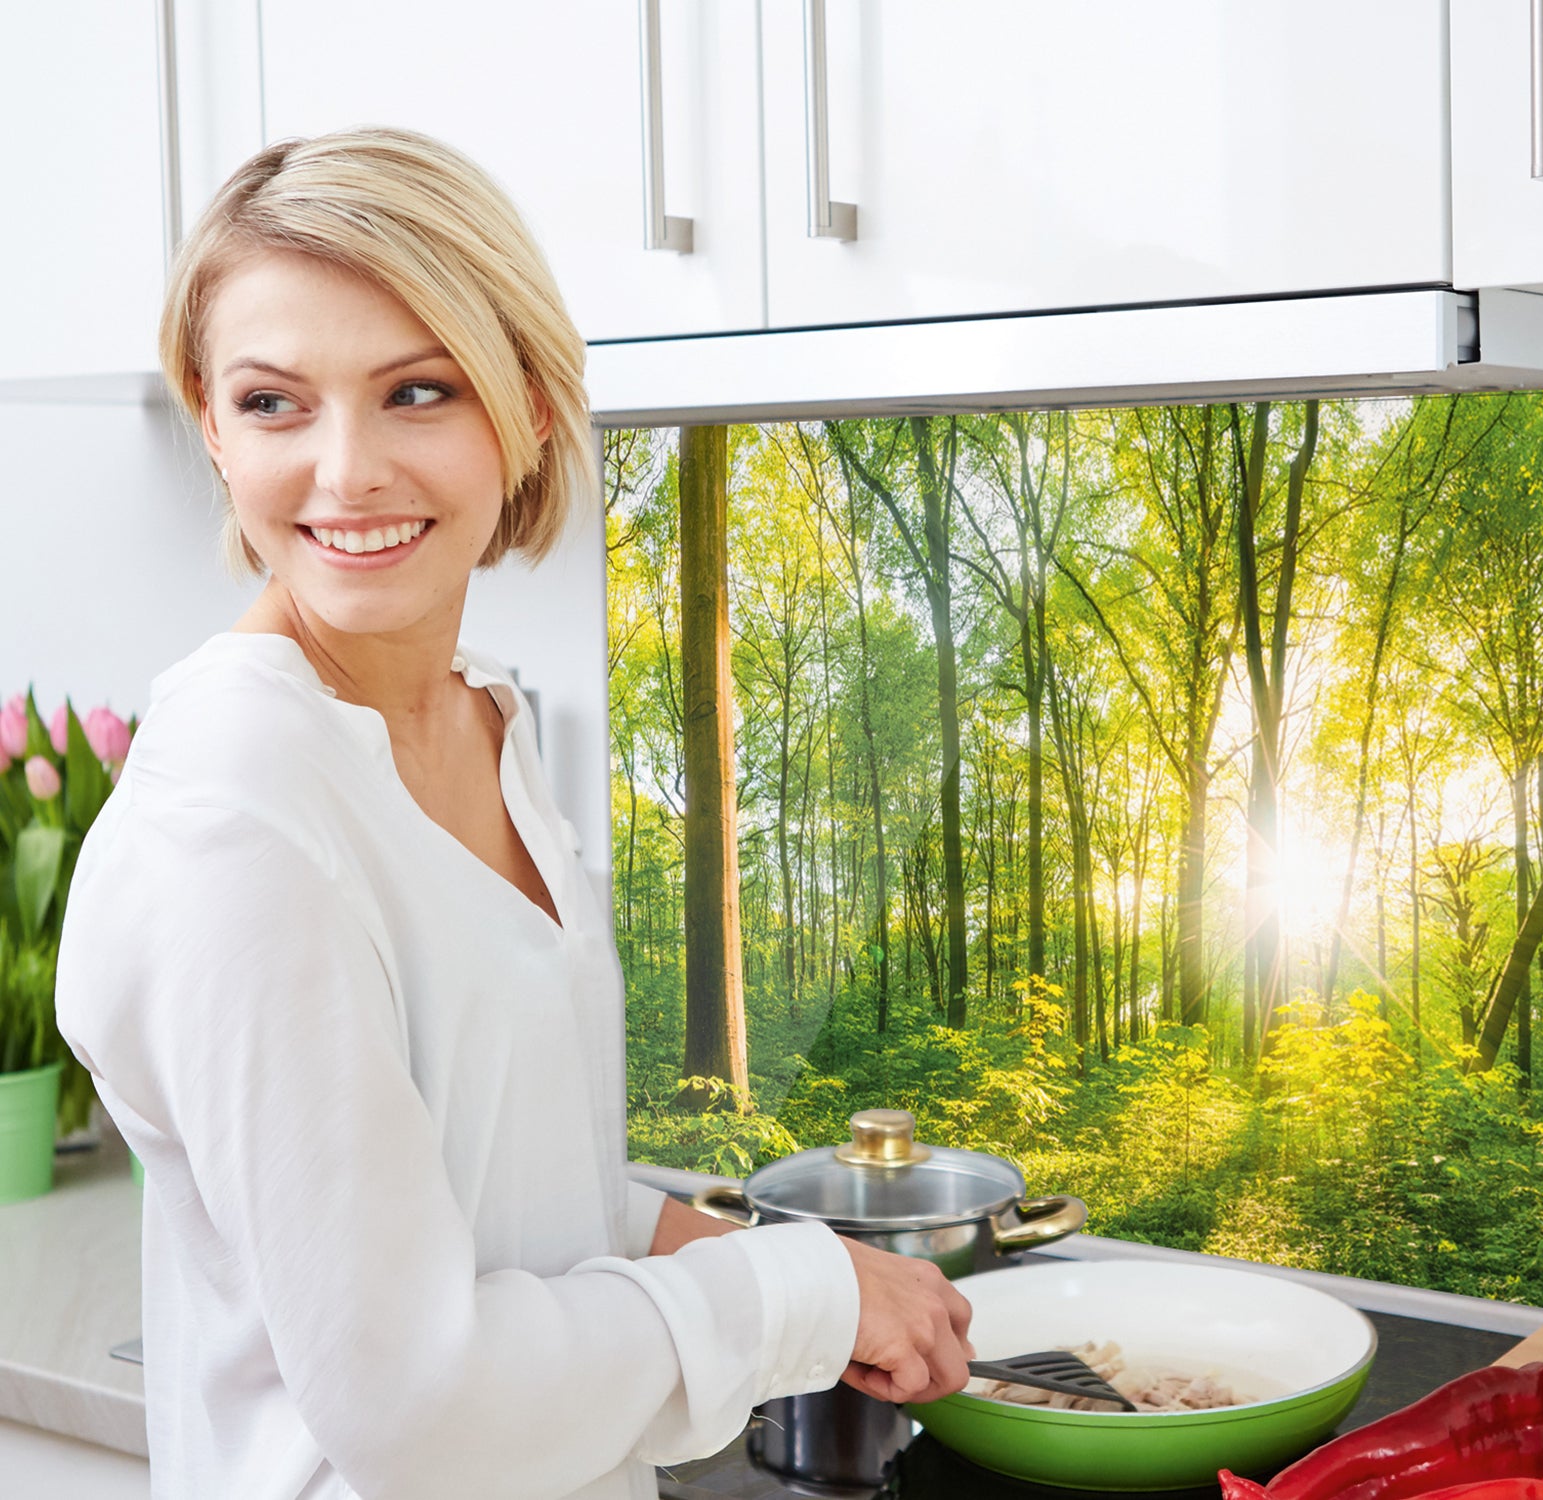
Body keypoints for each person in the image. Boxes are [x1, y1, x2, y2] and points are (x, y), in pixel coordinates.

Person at [53, 127, 974, 1500]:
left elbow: (484, 1176)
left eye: (416, 392)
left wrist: (752, 1252)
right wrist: (796, 1297)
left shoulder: (477, 716)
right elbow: (419, 1411)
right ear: (208, 420)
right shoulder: (236, 824)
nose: (346, 472)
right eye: (273, 402)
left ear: (530, 404)